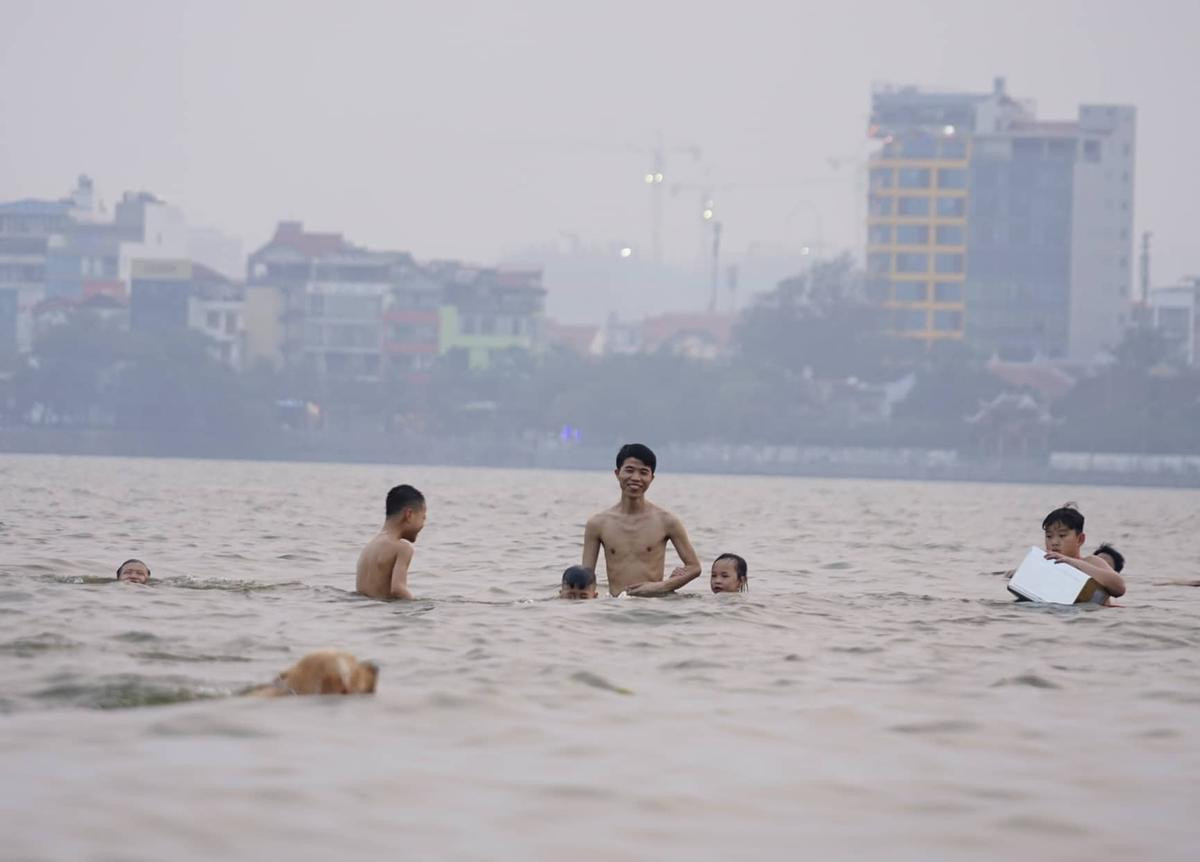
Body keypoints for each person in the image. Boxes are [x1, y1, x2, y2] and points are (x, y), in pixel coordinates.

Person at [582, 443, 702, 597]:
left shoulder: (667, 521)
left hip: (653, 608)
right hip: (615, 609)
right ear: (617, 473)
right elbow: (586, 577)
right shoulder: (597, 524)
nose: (636, 478)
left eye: (643, 472)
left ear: (651, 478)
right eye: (629, 470)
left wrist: (661, 586)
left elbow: (694, 567)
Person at [1041, 503, 1126, 601]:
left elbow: (1120, 588)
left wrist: (1074, 563)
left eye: (1062, 535)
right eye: (1049, 536)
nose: (1054, 542)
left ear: (1080, 539)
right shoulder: (1042, 564)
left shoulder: (1091, 562)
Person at [356, 484, 426, 600]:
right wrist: (418, 606)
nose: (423, 524)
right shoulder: (402, 548)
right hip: (383, 613)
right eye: (423, 517)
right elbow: (398, 589)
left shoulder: (369, 547)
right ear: (409, 515)